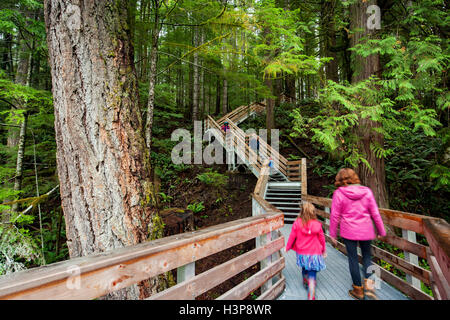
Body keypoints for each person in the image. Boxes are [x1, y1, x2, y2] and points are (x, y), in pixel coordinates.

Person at [329, 168, 386, 300]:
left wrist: (333, 234)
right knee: (367, 257)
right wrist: (381, 231)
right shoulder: (367, 191)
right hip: (366, 230)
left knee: (353, 259)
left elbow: (334, 216)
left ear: (339, 179)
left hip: (349, 231)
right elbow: (375, 213)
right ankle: (370, 288)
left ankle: (358, 291)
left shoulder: (339, 193)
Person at [285, 202, 326, 300]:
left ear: (301, 212)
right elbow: (322, 238)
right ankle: (311, 289)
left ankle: (305, 278)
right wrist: (323, 249)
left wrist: (288, 247)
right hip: (315, 253)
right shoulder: (317, 224)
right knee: (313, 271)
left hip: (302, 252)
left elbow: (292, 236)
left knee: (304, 267)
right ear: (313, 212)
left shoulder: (297, 223)